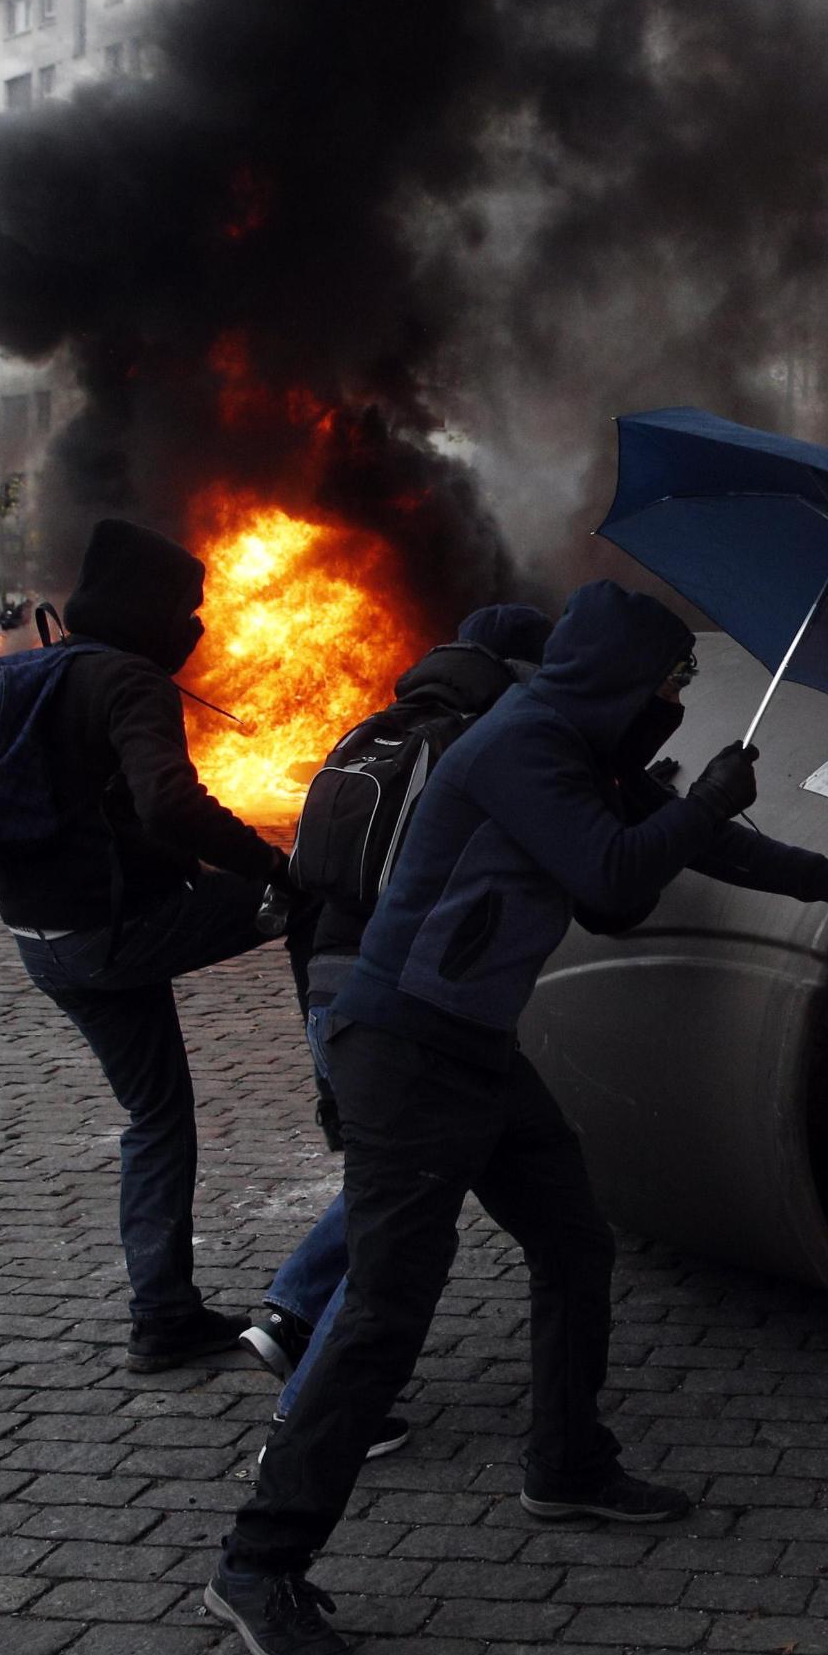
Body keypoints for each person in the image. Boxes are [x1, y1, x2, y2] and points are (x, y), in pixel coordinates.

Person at [210, 580, 828, 1655]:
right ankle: (260, 1564)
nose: (676, 701)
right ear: (616, 679)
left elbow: (694, 853)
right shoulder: (522, 744)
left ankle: (567, 1462)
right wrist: (707, 800)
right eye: (668, 682)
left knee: (572, 1242)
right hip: (404, 1047)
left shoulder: (585, 753)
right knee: (387, 1314)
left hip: (476, 1048)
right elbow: (611, 874)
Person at [240, 606, 555, 1456]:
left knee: (396, 1178)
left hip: (331, 983)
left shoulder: (371, 733)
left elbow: (306, 890)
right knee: (411, 1211)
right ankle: (312, 1416)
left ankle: (292, 1308)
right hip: (413, 1006)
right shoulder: (485, 751)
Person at [0, 519, 292, 1370]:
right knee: (318, 898)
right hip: (110, 934)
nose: (194, 630)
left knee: (157, 1116)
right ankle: (347, 1094)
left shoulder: (38, 671)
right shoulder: (130, 681)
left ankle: (163, 1317)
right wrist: (272, 866)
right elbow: (169, 803)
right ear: (150, 610)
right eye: (186, 610)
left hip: (41, 938)